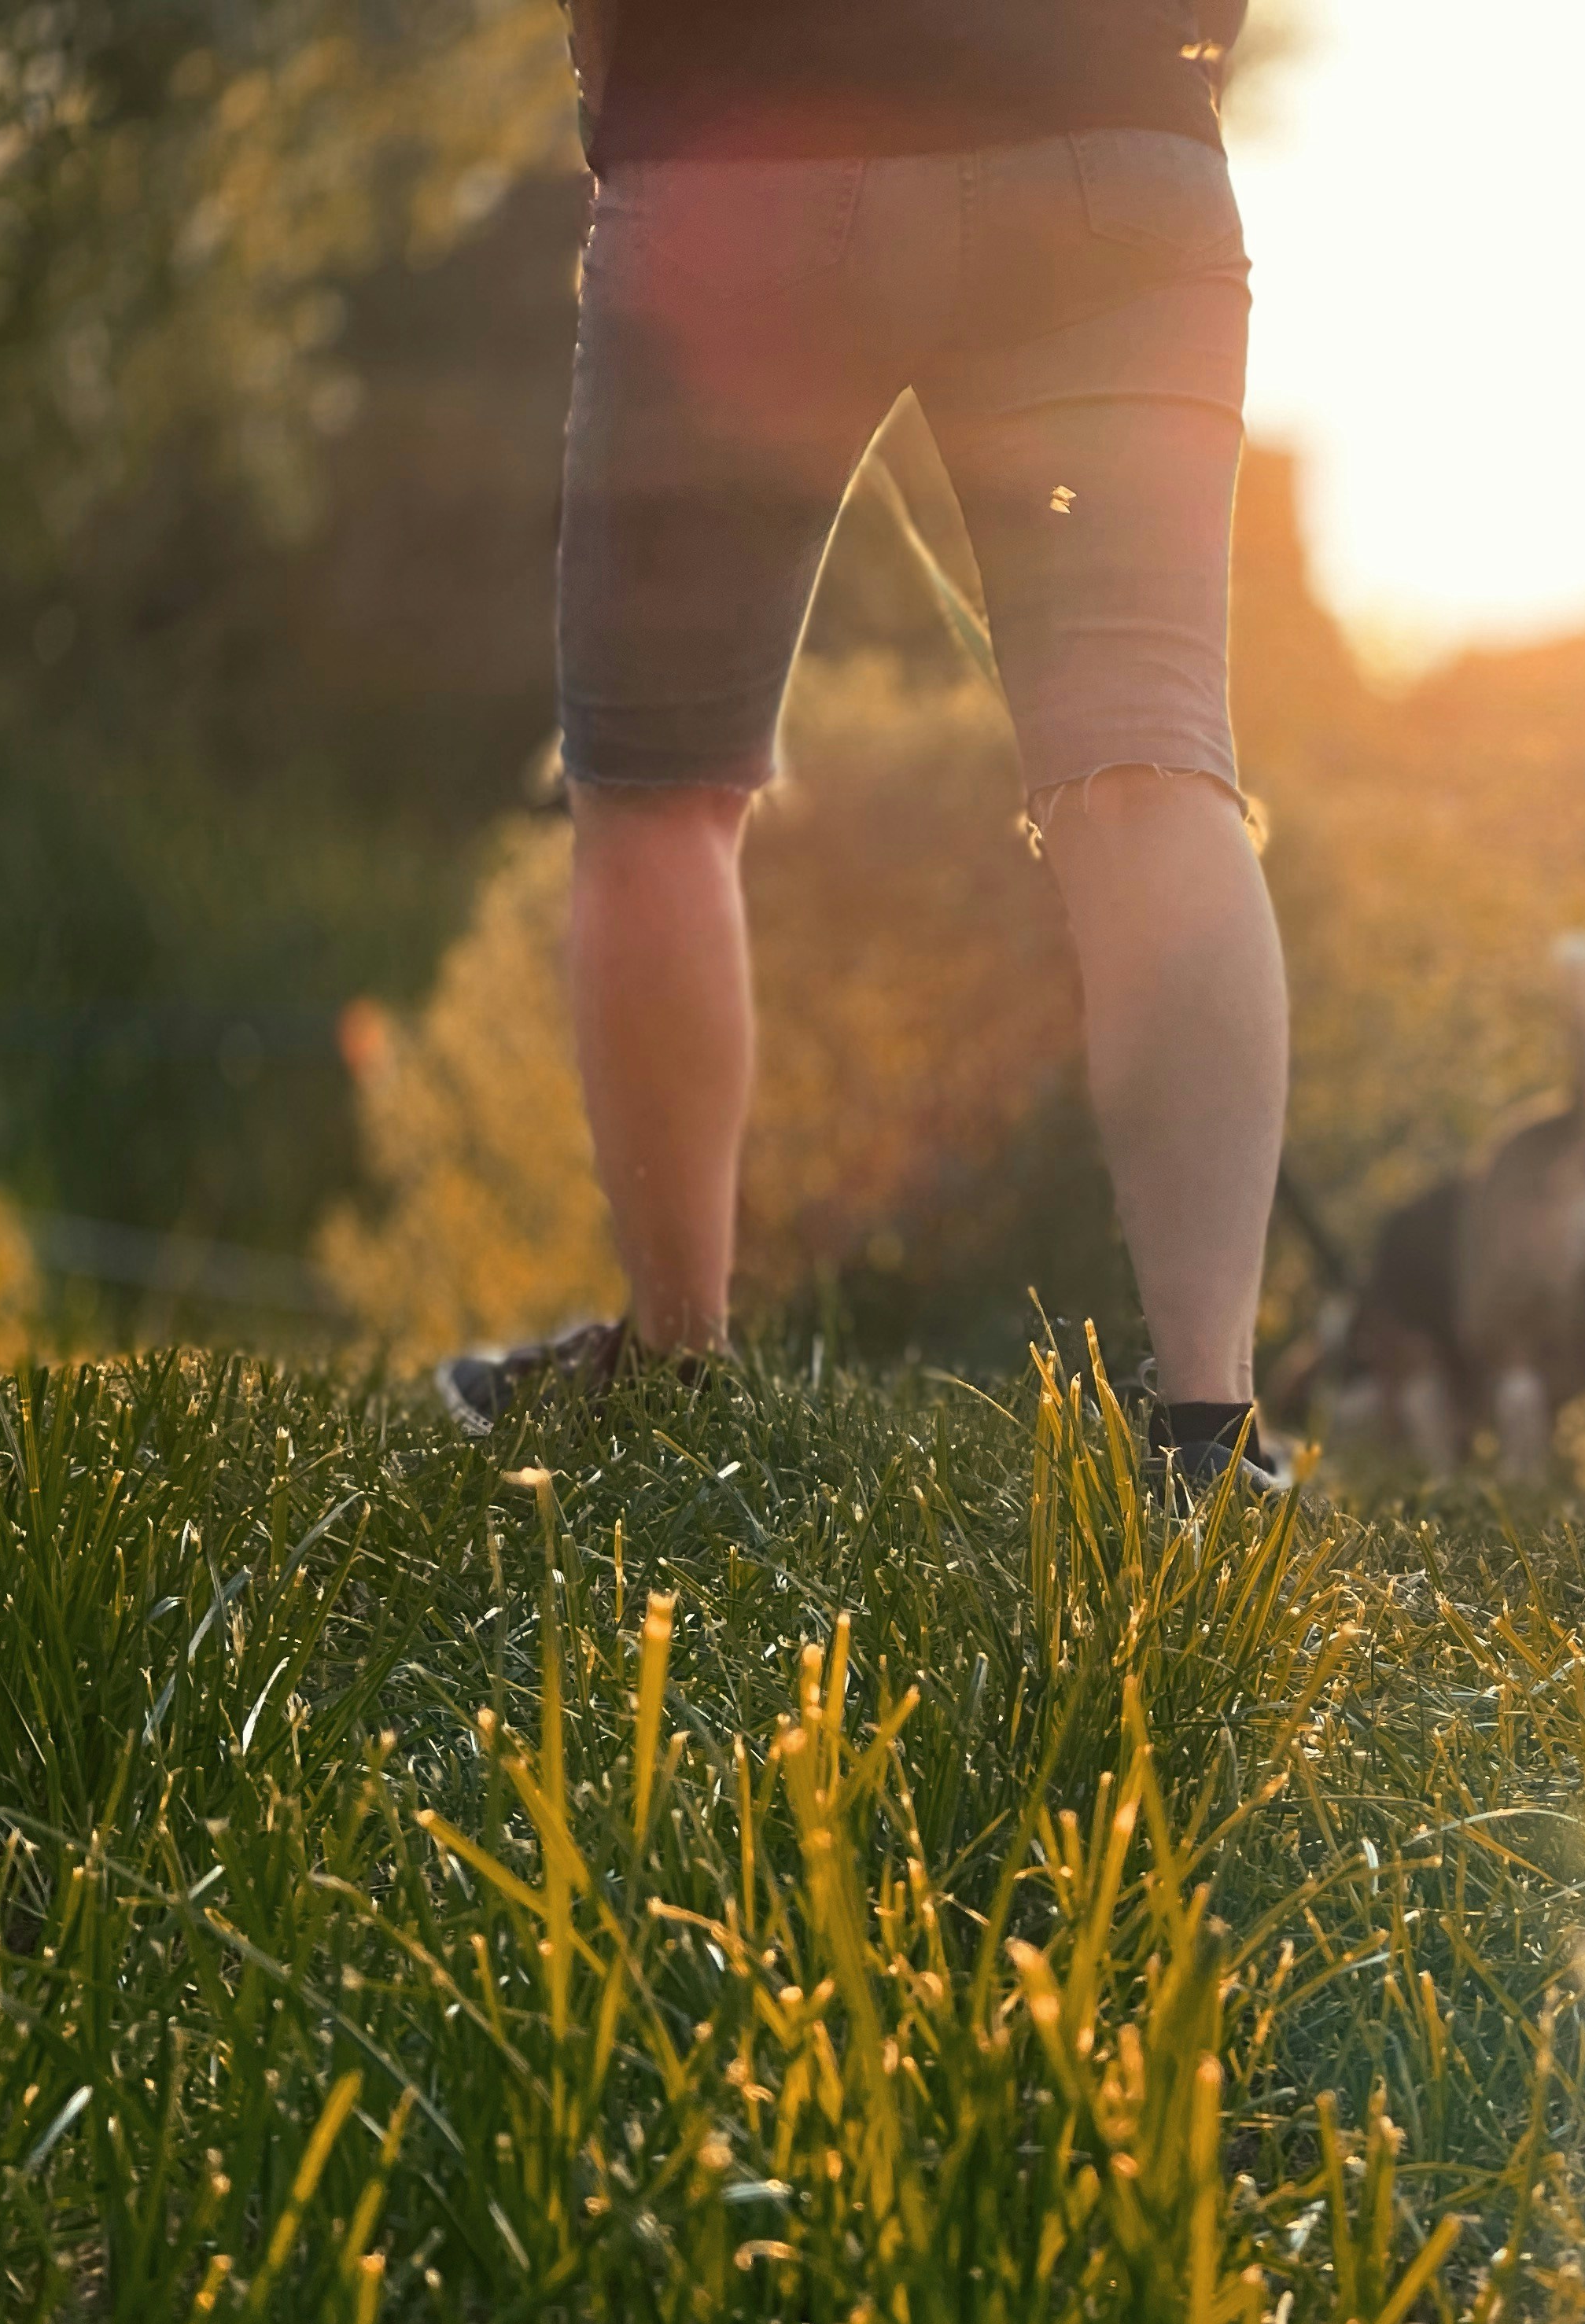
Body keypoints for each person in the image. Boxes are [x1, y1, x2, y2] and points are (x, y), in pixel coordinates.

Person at [436, 0, 1285, 1489]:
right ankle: (1206, 1436)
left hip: (738, 151)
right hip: (1108, 148)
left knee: (660, 788)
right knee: (1151, 768)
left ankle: (677, 1361)